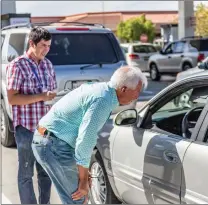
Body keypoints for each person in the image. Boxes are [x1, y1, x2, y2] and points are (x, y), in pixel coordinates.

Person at [31, 66, 148, 204]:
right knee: (78, 198)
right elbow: (85, 141)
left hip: (47, 140)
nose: (137, 97)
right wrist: (83, 179)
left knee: (80, 198)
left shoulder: (101, 89)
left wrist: (84, 176)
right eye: (137, 92)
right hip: (53, 144)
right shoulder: (103, 100)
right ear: (124, 89)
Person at [6, 27, 57, 204]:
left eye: (49, 46)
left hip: (45, 129)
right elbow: (12, 99)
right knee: (26, 174)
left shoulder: (48, 65)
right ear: (31, 44)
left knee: (46, 173)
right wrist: (41, 96)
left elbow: (50, 96)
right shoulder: (17, 65)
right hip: (26, 129)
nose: (46, 49)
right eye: (43, 45)